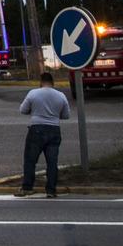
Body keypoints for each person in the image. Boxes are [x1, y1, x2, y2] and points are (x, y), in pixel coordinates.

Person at [17, 66, 73, 196]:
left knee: (30, 160)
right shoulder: (61, 96)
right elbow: (66, 115)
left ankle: (27, 187)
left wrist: (35, 111)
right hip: (54, 129)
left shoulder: (33, 93)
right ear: (53, 83)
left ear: (41, 82)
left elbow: (23, 110)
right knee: (52, 162)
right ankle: (51, 190)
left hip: (36, 128)